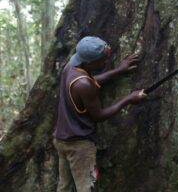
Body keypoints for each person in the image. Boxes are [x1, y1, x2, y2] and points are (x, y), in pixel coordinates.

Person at [52, 36, 146, 192]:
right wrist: (129, 99)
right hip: (78, 146)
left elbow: (91, 81)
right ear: (89, 63)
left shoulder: (71, 67)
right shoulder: (83, 84)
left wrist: (119, 71)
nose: (105, 63)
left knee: (64, 187)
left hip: (61, 139)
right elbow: (99, 116)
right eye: (102, 61)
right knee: (86, 188)